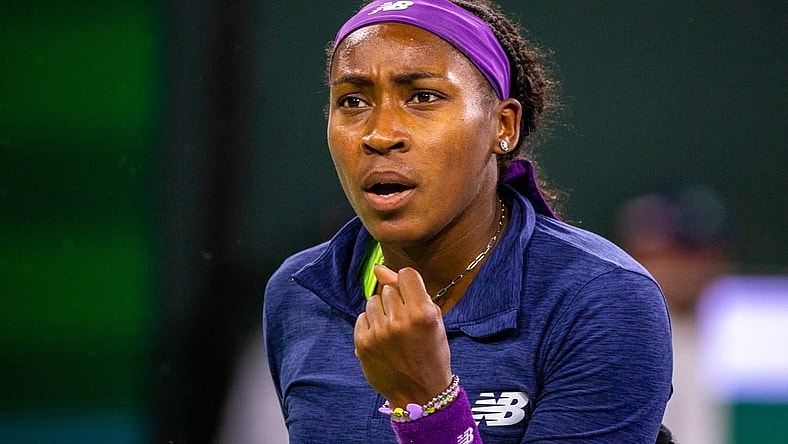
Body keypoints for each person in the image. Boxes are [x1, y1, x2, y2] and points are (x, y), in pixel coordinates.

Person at [264, 0, 673, 442]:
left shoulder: (603, 301)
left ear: (504, 126)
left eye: (423, 96)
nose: (380, 134)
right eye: (353, 100)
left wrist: (425, 401)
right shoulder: (297, 295)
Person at [616, 186, 734, 444]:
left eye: (694, 255)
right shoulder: (617, 336)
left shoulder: (736, 333)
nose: (683, 269)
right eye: (667, 255)